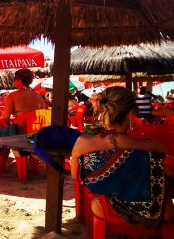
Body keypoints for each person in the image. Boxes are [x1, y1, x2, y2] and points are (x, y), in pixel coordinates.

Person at [71, 86, 173, 228]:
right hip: (157, 214)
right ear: (131, 114)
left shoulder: (82, 144)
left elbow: (76, 177)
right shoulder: (151, 146)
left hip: (105, 211)